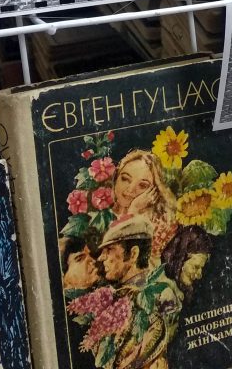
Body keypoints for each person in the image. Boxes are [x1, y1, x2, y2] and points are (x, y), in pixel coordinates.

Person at [97, 216, 183, 369]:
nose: (101, 258)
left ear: (133, 254)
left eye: (109, 250)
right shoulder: (113, 298)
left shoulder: (162, 295)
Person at [112, 150, 178, 259]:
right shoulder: (102, 212)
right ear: (116, 177)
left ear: (155, 191)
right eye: (125, 179)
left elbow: (123, 259)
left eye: (142, 185)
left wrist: (134, 211)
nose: (130, 189)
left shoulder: (158, 226)